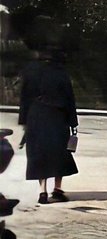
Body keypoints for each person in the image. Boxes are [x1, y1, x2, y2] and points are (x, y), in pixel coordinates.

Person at [19, 50, 78, 204]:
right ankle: (57, 189)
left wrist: (24, 122)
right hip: (57, 116)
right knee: (59, 153)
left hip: (36, 116)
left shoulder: (31, 72)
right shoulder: (61, 73)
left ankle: (42, 192)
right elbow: (69, 99)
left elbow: (24, 99)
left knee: (39, 153)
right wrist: (73, 123)